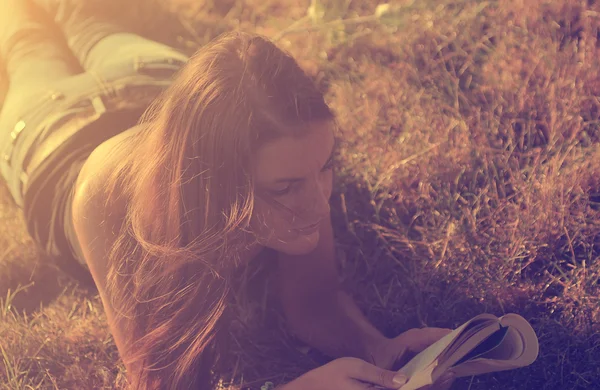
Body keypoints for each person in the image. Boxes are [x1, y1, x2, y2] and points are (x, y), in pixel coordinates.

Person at [0, 1, 457, 389]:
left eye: (325, 167)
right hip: (52, 130)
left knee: (89, 19)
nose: (320, 207)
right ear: (215, 183)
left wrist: (380, 348)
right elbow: (161, 381)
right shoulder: (105, 197)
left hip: (154, 80)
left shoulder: (283, 152)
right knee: (27, 44)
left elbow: (315, 302)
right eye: (286, 187)